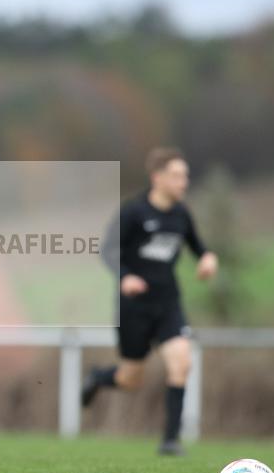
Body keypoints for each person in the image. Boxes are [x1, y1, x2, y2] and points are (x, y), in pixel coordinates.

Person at [82, 148, 219, 455]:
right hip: (133, 308)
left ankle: (170, 440)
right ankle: (98, 377)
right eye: (176, 175)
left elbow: (200, 247)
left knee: (182, 362)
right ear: (157, 177)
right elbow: (107, 250)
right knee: (130, 379)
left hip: (168, 304)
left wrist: (208, 259)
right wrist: (126, 276)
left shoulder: (181, 214)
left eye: (185, 176)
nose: (183, 182)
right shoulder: (133, 212)